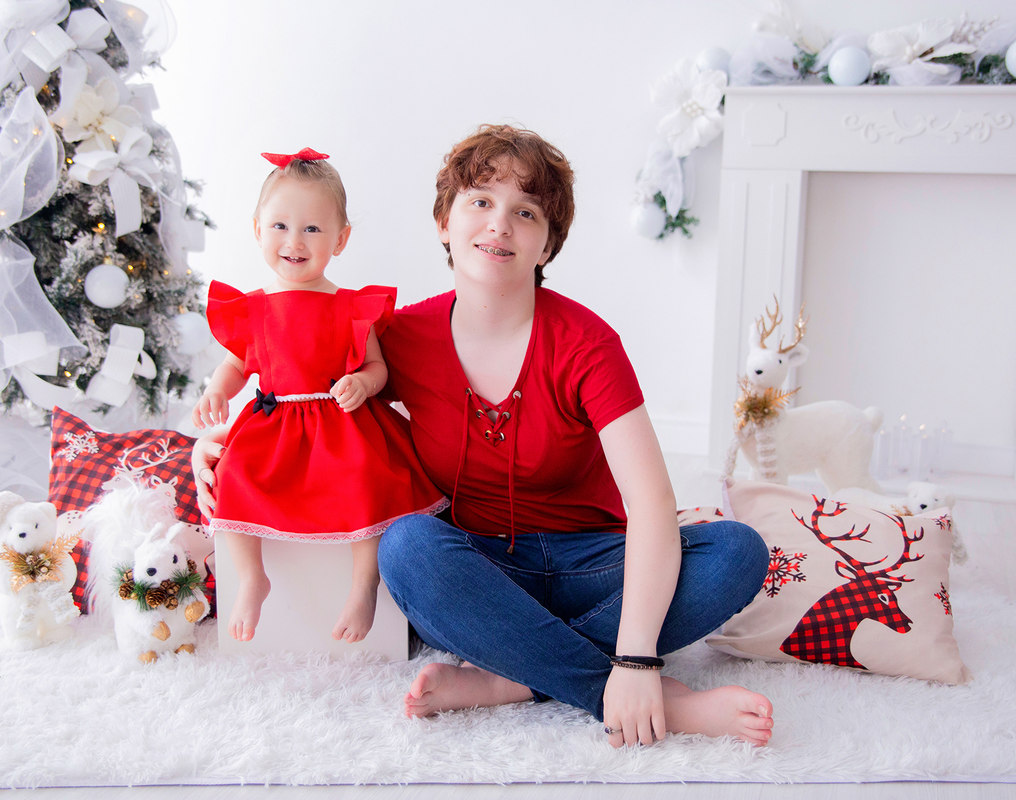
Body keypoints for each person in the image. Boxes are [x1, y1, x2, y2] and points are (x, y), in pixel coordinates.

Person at [195, 127, 773, 748]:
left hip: (593, 563)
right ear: (444, 222)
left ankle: (514, 678)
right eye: (479, 202)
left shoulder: (587, 344)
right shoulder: (402, 335)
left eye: (525, 212)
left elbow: (652, 504)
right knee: (409, 545)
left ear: (547, 243)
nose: (499, 224)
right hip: (475, 571)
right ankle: (642, 699)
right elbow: (295, 394)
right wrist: (216, 443)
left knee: (738, 552)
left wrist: (638, 658)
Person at [191, 148, 447, 644]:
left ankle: (364, 584)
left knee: (368, 480)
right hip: (274, 421)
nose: (294, 241)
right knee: (232, 477)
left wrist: (364, 383)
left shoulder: (350, 306)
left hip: (340, 423)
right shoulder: (253, 308)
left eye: (312, 229)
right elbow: (237, 363)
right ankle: (251, 578)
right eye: (281, 226)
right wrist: (216, 391)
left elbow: (377, 365)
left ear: (340, 239)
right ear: (257, 229)